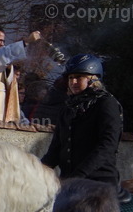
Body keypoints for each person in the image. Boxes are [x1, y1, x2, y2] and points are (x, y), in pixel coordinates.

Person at [41, 54, 126, 199]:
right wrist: (35, 171)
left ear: (93, 79)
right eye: (70, 77)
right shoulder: (67, 108)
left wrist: (78, 175)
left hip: (98, 184)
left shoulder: (106, 103)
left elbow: (107, 145)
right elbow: (55, 149)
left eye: (79, 77)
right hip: (68, 183)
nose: (73, 81)